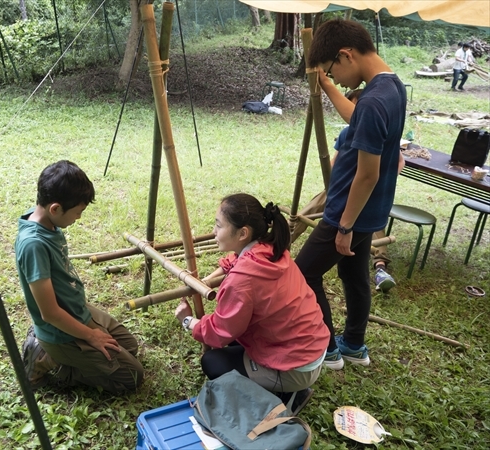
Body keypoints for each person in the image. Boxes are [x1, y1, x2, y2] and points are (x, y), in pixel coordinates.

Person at [294, 19, 407, 371]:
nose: (339, 79)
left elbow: (368, 173)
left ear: (346, 54)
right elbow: (357, 118)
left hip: (348, 211)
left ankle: (325, 347)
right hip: (369, 212)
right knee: (354, 277)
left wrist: (344, 226)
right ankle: (355, 345)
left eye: (333, 70)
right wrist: (327, 86)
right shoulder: (391, 87)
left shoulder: (374, 101)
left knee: (303, 273)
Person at [174, 193, 329, 415]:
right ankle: (284, 384)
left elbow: (220, 332)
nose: (214, 231)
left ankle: (285, 396)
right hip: (312, 349)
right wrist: (207, 280)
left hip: (296, 367)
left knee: (213, 362)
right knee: (235, 344)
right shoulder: (271, 249)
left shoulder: (242, 281)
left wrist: (188, 320)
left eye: (219, 225)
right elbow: (236, 261)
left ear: (243, 233)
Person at [15, 160, 144, 392]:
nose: (79, 218)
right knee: (132, 378)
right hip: (58, 331)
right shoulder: (33, 245)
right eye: (77, 212)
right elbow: (50, 313)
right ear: (55, 208)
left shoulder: (49, 223)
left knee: (130, 347)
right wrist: (91, 336)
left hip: (78, 311)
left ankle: (68, 352)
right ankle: (45, 358)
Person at [291, 88, 400, 293]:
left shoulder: (376, 127)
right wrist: (335, 185)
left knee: (307, 273)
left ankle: (380, 264)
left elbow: (392, 165)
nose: (351, 111)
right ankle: (284, 237)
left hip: (363, 195)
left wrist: (377, 181)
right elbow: (334, 163)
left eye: (354, 105)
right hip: (340, 190)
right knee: (352, 273)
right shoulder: (347, 133)